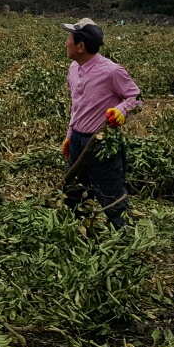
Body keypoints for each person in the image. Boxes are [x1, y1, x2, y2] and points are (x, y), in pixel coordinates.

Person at [61, 18, 141, 228]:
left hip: (101, 144)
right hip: (78, 141)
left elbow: (135, 97)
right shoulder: (73, 68)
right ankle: (79, 234)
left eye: (69, 38)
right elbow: (76, 106)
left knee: (112, 197)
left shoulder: (111, 71)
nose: (66, 43)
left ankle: (127, 238)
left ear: (80, 46)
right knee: (74, 195)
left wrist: (121, 110)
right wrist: (70, 136)